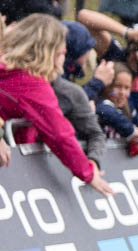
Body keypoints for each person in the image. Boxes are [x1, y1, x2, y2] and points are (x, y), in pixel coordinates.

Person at [0, 16, 114, 195]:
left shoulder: (7, 65)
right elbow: (59, 134)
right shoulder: (31, 84)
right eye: (62, 52)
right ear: (51, 53)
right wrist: (88, 173)